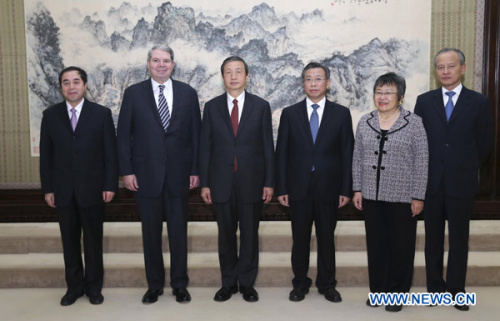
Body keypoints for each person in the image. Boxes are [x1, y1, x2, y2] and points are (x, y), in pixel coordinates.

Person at [117, 45, 201, 304]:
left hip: (179, 176)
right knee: (150, 235)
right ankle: (154, 286)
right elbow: (123, 136)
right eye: (156, 60)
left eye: (166, 61)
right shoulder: (133, 94)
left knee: (178, 234)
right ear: (148, 63)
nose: (161, 65)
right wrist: (127, 171)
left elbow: (196, 136)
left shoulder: (188, 93)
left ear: (173, 65)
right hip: (145, 177)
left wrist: (196, 170)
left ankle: (179, 284)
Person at [414, 48, 494, 311]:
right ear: (435, 71)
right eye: (440, 67)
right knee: (433, 239)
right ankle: (435, 289)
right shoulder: (424, 101)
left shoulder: (479, 102)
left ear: (462, 68)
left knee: (460, 239)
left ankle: (456, 290)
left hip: (462, 182)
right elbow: (418, 142)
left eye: (450, 66)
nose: (445, 71)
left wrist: (463, 165)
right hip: (432, 182)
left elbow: (484, 143)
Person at [39, 66, 118, 306]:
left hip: (93, 190)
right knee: (69, 242)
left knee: (93, 242)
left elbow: (110, 155)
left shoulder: (101, 114)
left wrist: (110, 185)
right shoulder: (50, 115)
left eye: (76, 81)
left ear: (84, 85)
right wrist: (48, 189)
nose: (71, 86)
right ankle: (74, 287)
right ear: (61, 87)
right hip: (62, 191)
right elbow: (47, 156)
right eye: (66, 82)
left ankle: (94, 288)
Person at [275, 62, 354, 303]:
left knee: (327, 239)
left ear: (327, 83)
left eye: (318, 78)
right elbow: (282, 154)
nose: (313, 83)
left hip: (329, 188)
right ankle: (300, 283)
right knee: (300, 238)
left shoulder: (341, 114)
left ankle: (327, 284)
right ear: (303, 83)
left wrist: (346, 188)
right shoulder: (290, 113)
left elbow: (347, 153)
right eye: (308, 79)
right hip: (298, 188)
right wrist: (282, 188)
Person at [199, 56, 275, 303]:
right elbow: (205, 147)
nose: (233, 76)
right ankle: (228, 283)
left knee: (250, 236)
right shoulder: (211, 107)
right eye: (228, 72)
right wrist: (205, 183)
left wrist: (269, 182)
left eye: (238, 72)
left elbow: (267, 147)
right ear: (223, 77)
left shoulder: (261, 106)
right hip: (220, 183)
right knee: (226, 236)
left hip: (252, 182)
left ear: (247, 77)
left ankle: (247, 284)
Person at [352, 72, 428, 312]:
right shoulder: (365, 121)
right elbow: (357, 158)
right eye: (379, 92)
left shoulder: (413, 122)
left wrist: (418, 195)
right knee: (376, 246)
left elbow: (422, 161)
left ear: (401, 96)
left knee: (401, 246)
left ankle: (396, 294)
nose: (382, 97)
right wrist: (357, 188)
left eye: (388, 93)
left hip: (402, 197)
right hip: (371, 196)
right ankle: (377, 291)